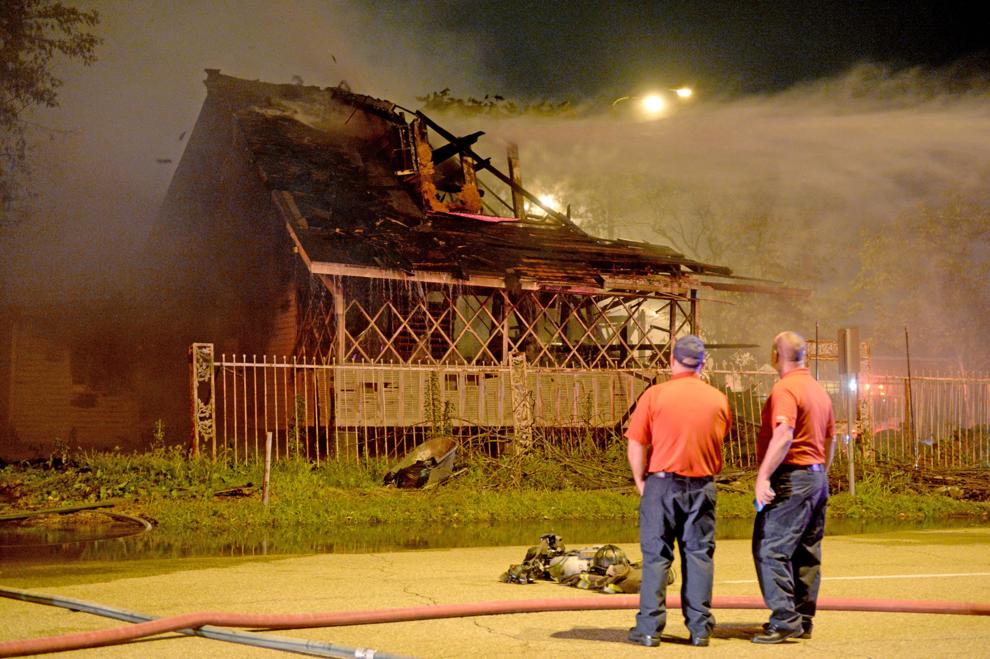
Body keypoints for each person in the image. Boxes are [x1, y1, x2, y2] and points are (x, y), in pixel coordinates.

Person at [625, 334, 731, 647]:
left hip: (661, 483)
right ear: (702, 364)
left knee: (656, 557)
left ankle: (648, 629)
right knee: (698, 556)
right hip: (702, 485)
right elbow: (717, 439)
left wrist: (640, 481)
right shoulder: (718, 399)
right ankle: (699, 630)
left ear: (672, 359)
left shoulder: (655, 395)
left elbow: (636, 442)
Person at [751, 331, 836, 644]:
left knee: (770, 548)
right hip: (816, 479)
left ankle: (784, 619)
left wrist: (763, 477)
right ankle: (802, 618)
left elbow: (784, 434)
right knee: (806, 551)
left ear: (776, 354)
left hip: (792, 478)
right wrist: (818, 474)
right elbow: (831, 440)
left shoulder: (785, 389)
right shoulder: (819, 391)